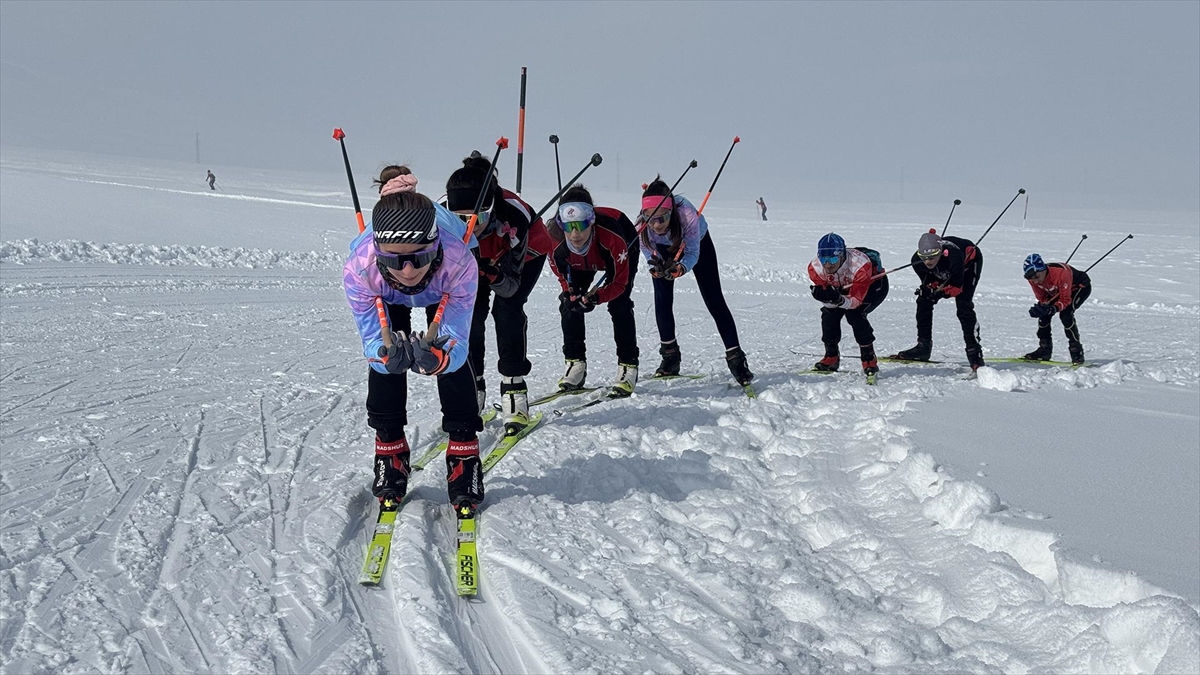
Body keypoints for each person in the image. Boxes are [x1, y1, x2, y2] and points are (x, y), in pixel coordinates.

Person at [342, 165, 484, 508]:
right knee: (389, 359)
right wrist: (382, 354)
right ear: (378, 252)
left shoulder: (459, 260)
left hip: (445, 279)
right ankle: (390, 449)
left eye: (417, 257)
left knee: (446, 358)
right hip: (382, 289)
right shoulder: (360, 269)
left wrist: (443, 357)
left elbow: (457, 338)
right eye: (396, 259)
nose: (408, 270)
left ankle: (464, 453)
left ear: (433, 244)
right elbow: (371, 339)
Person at [445, 153, 545, 430]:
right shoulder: (441, 218)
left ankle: (514, 388)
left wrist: (494, 273)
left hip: (522, 255)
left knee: (507, 308)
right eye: (461, 218)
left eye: (478, 217)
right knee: (470, 314)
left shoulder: (515, 215)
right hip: (474, 260)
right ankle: (474, 385)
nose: (469, 226)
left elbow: (511, 286)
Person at [638, 178, 754, 386]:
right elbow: (647, 248)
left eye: (662, 218)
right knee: (662, 299)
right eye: (650, 219)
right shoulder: (641, 225)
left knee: (714, 299)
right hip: (663, 249)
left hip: (697, 242)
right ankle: (670, 358)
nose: (656, 225)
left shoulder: (687, 216)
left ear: (671, 212)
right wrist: (654, 264)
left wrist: (680, 268)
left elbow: (692, 253)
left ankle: (737, 360)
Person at [546, 184, 640, 396]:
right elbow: (563, 278)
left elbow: (618, 284)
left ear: (592, 220)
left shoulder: (612, 238)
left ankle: (628, 364)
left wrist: (597, 296)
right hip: (579, 262)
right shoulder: (554, 242)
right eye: (569, 227)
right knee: (569, 304)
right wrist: (571, 293)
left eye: (581, 225)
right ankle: (575, 364)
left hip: (616, 249)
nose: (575, 234)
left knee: (620, 304)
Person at [893, 229, 985, 370]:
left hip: (969, 264)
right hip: (947, 267)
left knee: (963, 305)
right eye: (924, 257)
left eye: (932, 256)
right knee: (923, 300)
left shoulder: (953, 257)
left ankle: (974, 352)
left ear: (941, 252)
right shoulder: (917, 261)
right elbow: (930, 282)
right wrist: (929, 290)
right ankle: (923, 346)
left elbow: (956, 288)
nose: (928, 261)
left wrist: (939, 293)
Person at [807, 233, 888, 375]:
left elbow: (855, 302)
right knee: (829, 315)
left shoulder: (861, 265)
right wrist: (827, 298)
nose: (828, 264)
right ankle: (831, 356)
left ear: (842, 255)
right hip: (843, 287)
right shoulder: (815, 269)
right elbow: (831, 304)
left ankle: (869, 359)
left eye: (832, 259)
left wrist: (838, 299)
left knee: (855, 314)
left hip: (872, 286)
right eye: (824, 259)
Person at [1022, 253, 1092, 364]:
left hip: (1079, 288)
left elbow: (1065, 300)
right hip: (1056, 291)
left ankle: (1076, 351)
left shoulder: (1061, 274)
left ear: (1042, 270)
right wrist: (1043, 308)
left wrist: (1053, 308)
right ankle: (1045, 349)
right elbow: (1043, 298)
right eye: (1030, 278)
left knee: (1066, 315)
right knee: (1044, 316)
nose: (1034, 281)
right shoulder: (1033, 279)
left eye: (1036, 277)